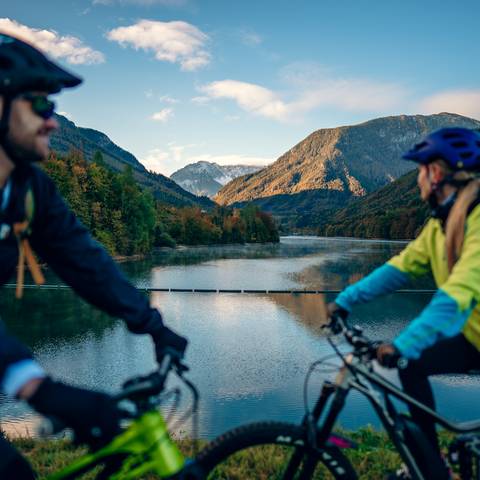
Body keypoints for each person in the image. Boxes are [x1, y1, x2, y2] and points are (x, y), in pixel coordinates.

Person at [0, 33, 188, 479]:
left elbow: (85, 261)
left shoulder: (27, 190)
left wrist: (150, 322)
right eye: (41, 106)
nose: (54, 123)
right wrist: (34, 385)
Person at [328, 126, 480, 480]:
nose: (417, 181)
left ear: (435, 173)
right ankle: (430, 467)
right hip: (475, 337)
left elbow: (456, 294)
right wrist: (345, 300)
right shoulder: (441, 226)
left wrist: (403, 343)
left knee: (408, 355)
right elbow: (398, 269)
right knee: (412, 365)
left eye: (419, 172)